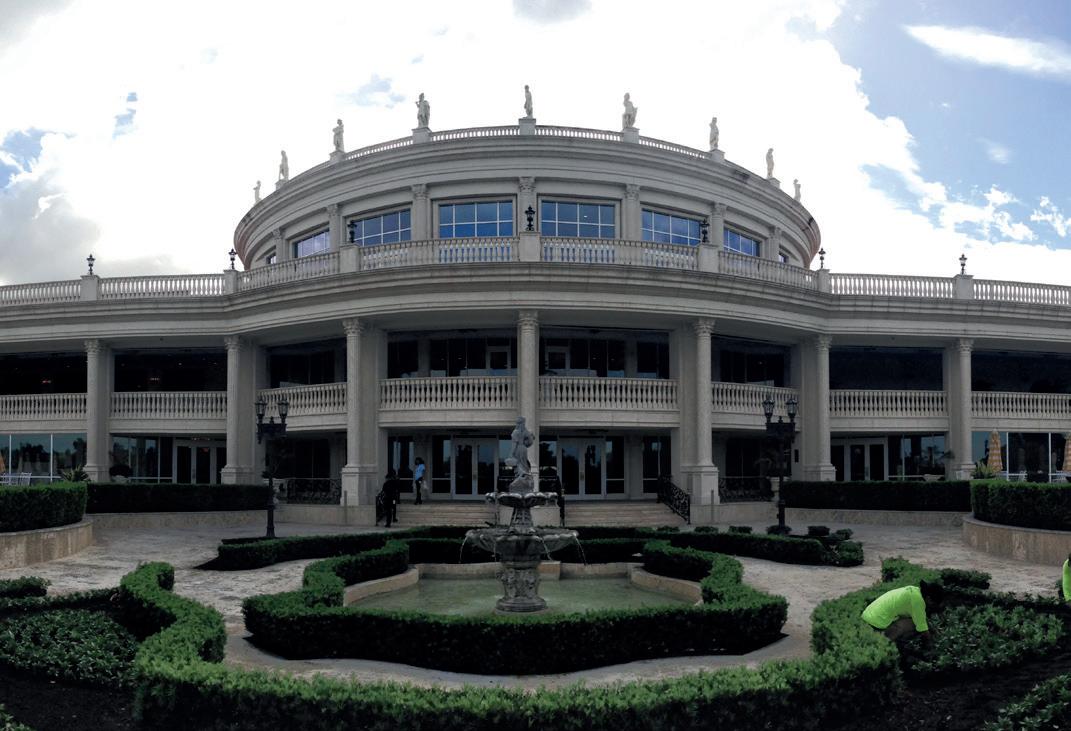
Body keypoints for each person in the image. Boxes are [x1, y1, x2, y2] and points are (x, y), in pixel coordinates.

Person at [861, 579, 943, 642]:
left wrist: (934, 630)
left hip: (868, 616)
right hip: (876, 624)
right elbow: (923, 629)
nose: (932, 606)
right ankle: (886, 641)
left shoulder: (914, 591)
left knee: (915, 620)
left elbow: (922, 619)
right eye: (933, 604)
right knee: (913, 625)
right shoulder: (918, 602)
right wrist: (932, 643)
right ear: (928, 598)